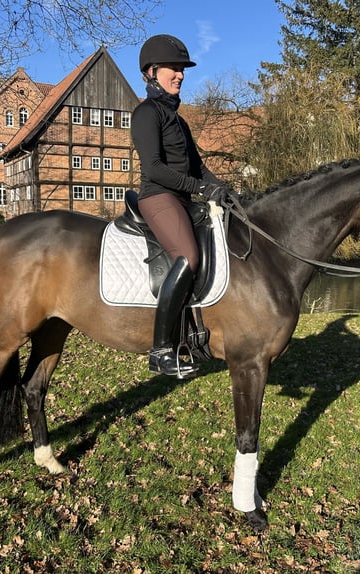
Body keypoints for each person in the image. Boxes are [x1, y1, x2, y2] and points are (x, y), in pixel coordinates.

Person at [131, 34, 230, 379]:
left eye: (183, 69)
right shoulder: (146, 114)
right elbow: (154, 168)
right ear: (152, 71)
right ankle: (160, 350)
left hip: (183, 197)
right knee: (189, 257)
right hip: (158, 197)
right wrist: (198, 188)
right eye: (174, 68)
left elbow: (198, 167)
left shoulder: (180, 121)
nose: (180, 74)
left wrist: (222, 189)